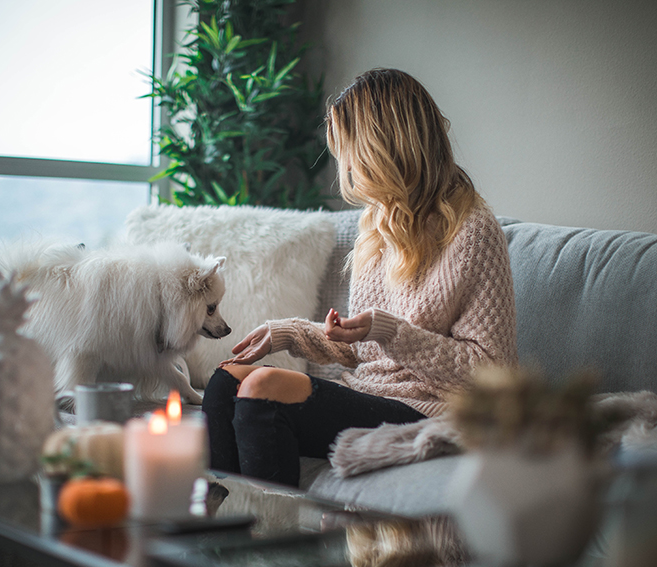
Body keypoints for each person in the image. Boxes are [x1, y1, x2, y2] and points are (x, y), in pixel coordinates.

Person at [202, 68, 518, 487]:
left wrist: (392, 332)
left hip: (433, 407)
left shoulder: (473, 230)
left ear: (382, 147)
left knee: (263, 387)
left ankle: (272, 548)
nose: (346, 165)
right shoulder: (377, 222)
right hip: (369, 392)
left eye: (349, 149)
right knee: (226, 381)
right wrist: (290, 333)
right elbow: (364, 350)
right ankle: (219, 536)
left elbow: (491, 373)